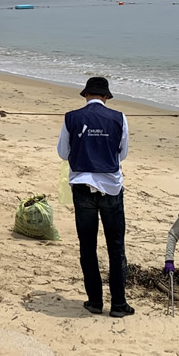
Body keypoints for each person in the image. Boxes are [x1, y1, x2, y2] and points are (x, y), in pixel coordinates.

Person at [57, 76, 134, 318]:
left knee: (87, 246)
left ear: (86, 95)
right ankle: (119, 304)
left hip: (82, 186)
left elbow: (63, 152)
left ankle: (95, 301)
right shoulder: (119, 117)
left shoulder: (71, 117)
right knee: (116, 246)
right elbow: (123, 153)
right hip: (110, 186)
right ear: (106, 97)